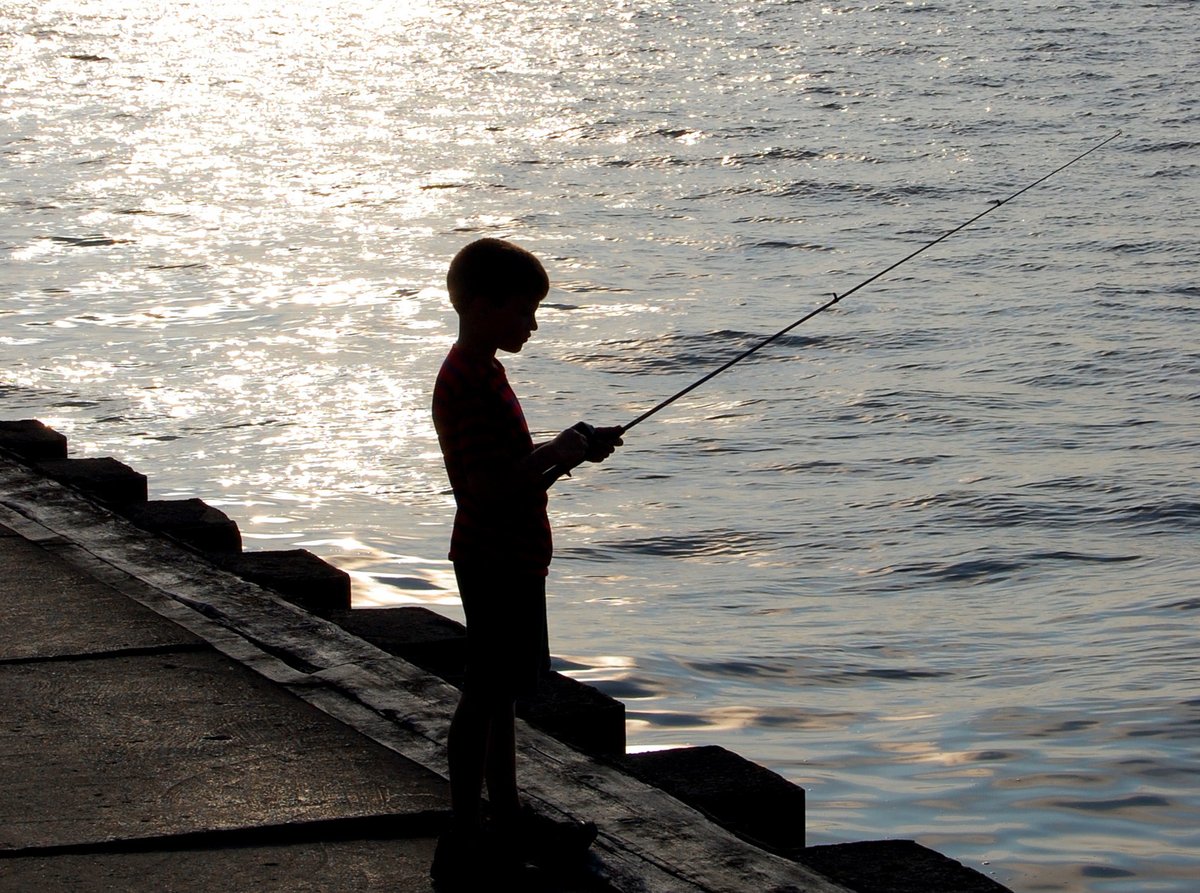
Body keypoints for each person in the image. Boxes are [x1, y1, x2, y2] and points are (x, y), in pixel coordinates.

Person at [429, 237, 622, 886]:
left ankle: (505, 816)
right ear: (482, 307)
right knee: (482, 693)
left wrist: (572, 449)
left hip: (511, 556)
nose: (531, 325)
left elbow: (510, 469)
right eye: (523, 311)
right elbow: (485, 488)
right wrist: (555, 453)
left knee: (501, 691)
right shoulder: (464, 381)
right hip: (492, 558)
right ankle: (464, 829)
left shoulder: (484, 371)